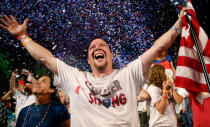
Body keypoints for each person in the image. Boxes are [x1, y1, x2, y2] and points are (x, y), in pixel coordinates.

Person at [0, 8, 189, 127]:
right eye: (92, 47)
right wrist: (22, 37)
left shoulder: (129, 73)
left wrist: (178, 25)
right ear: (89, 60)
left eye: (102, 46)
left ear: (111, 55)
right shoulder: (75, 77)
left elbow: (157, 48)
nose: (97, 47)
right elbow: (46, 59)